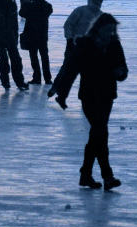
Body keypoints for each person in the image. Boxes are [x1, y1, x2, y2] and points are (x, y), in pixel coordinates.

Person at [47, 13, 127, 190]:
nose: (110, 33)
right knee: (100, 132)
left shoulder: (115, 45)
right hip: (89, 95)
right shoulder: (85, 45)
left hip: (107, 95)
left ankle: (86, 175)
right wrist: (62, 94)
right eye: (107, 30)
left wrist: (120, 73)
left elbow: (122, 67)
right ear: (98, 28)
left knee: (97, 134)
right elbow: (70, 70)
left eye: (112, 30)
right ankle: (107, 176)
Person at [20, 0, 53, 84]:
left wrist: (25, 4)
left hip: (32, 34)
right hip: (41, 35)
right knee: (43, 57)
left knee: (35, 57)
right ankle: (47, 79)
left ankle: (38, 78)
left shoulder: (32, 5)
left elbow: (22, 13)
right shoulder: (47, 5)